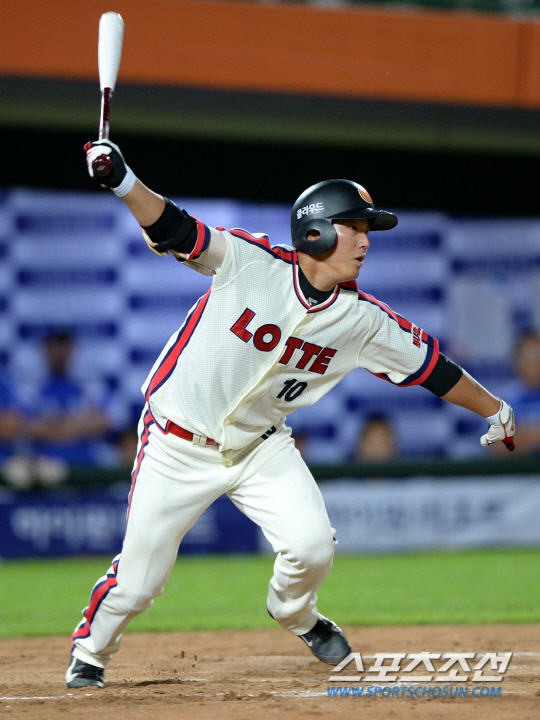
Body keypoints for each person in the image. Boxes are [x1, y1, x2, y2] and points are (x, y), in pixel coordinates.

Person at [66, 139, 516, 690]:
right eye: (355, 227)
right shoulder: (250, 262)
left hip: (260, 445)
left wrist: (495, 409)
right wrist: (122, 180)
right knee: (138, 584)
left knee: (312, 546)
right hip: (176, 442)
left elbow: (433, 370)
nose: (365, 240)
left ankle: (295, 612)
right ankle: (89, 653)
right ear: (316, 232)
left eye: (368, 229)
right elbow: (174, 228)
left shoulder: (363, 320)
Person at [26, 330, 111, 467]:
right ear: (45, 349)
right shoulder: (31, 385)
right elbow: (25, 426)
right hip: (43, 464)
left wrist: (55, 427)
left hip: (86, 462)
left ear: (72, 349)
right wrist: (77, 425)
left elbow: (103, 421)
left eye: (64, 346)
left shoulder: (89, 384)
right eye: (54, 346)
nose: (59, 352)